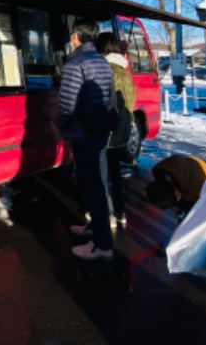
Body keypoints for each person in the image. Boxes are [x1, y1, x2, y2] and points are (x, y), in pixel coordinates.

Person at [57, 18, 115, 261]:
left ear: (75, 36)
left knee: (92, 186)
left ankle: (101, 246)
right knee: (97, 182)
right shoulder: (101, 60)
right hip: (100, 130)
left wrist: (60, 125)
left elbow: (68, 104)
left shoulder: (75, 63)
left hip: (83, 133)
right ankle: (94, 228)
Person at [95, 32, 136, 228]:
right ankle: (121, 212)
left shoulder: (106, 70)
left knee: (103, 176)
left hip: (108, 131)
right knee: (116, 173)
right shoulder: (125, 71)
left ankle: (107, 214)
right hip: (122, 131)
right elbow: (131, 102)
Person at [145, 154, 206, 218]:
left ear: (177, 193)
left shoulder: (198, 190)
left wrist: (180, 207)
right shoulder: (165, 169)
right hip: (194, 168)